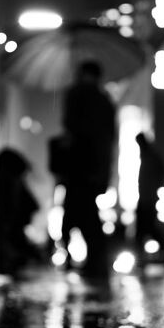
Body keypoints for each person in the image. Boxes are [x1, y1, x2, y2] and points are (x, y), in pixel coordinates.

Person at [60, 60, 116, 278]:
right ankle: (95, 261)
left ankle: (88, 261)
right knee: (87, 216)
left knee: (76, 215)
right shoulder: (104, 101)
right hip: (94, 170)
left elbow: (70, 126)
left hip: (77, 168)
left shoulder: (76, 95)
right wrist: (104, 173)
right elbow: (109, 140)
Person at [0, 148, 39, 275]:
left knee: (7, 241)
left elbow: (10, 201)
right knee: (12, 241)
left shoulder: (7, 180)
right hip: (13, 218)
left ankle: (7, 267)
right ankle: (10, 266)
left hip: (9, 218)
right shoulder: (14, 180)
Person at [135, 132, 164, 270]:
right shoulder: (147, 156)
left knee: (146, 231)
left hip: (148, 199)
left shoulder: (151, 157)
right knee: (146, 231)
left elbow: (162, 172)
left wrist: (155, 188)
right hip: (146, 198)